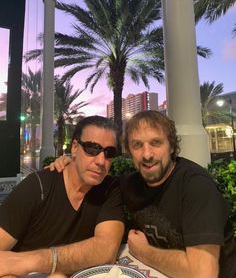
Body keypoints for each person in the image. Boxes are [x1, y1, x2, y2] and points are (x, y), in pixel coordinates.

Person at [47, 110, 236, 278]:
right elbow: (93, 181)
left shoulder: (196, 186)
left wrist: (145, 252)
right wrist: (70, 163)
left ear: (171, 146)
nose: (147, 154)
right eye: (137, 145)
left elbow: (202, 273)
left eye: (156, 143)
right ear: (129, 151)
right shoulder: (129, 184)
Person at [0, 116, 125, 276]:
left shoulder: (109, 188)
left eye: (109, 152)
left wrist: (31, 261)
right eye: (92, 148)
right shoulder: (38, 186)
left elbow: (106, 250)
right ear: (74, 147)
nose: (101, 161)